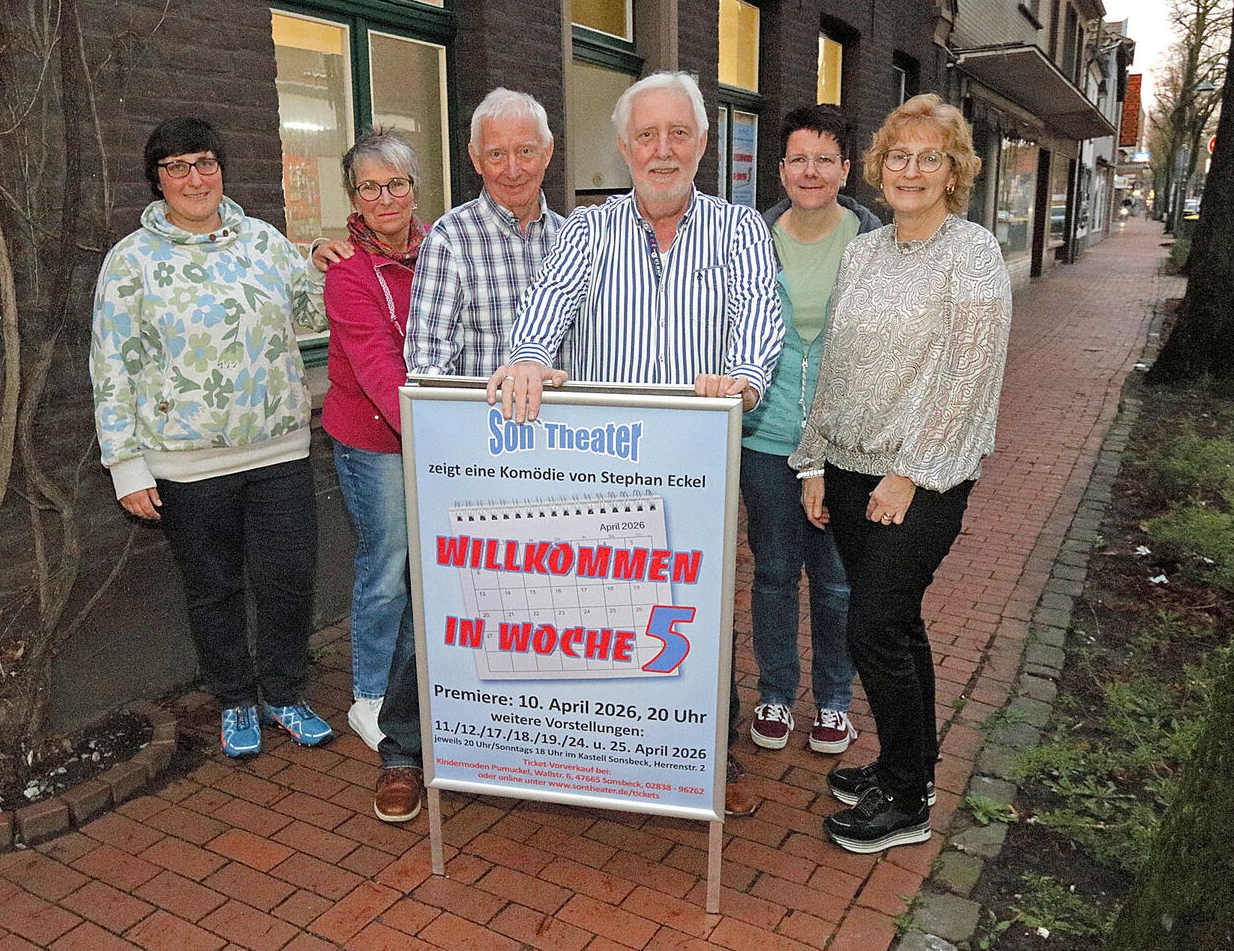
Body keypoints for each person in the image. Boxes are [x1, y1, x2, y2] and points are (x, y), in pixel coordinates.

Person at [489, 70, 784, 818]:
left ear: (703, 143)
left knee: (700, 612)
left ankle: (711, 753)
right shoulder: (587, 231)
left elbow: (758, 318)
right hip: (605, 469)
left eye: (678, 133)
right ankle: (608, 756)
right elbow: (543, 310)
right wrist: (527, 357)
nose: (663, 150)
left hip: (697, 468)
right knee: (607, 612)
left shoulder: (742, 229)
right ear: (623, 147)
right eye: (646, 135)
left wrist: (744, 382)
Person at [791, 93, 1011, 853]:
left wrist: (911, 473)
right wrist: (814, 457)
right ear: (880, 169)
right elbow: (835, 364)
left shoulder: (971, 252)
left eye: (930, 157)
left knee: (874, 623)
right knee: (899, 622)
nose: (911, 170)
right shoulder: (864, 249)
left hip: (923, 477)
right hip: (850, 470)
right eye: (899, 156)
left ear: (955, 171)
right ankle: (902, 763)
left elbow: (970, 377)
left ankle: (909, 800)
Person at [90, 118, 333, 759]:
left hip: (278, 447)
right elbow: (111, 363)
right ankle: (234, 699)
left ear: (222, 168)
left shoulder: (262, 241)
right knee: (213, 586)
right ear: (157, 180)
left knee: (288, 578)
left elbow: (310, 313)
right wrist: (125, 464)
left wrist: (316, 265)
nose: (194, 178)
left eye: (204, 162)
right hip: (187, 460)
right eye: (177, 167)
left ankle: (283, 693)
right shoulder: (130, 261)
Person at [372, 88, 565, 823]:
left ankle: (528, 744)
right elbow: (425, 362)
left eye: (525, 150)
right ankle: (403, 750)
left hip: (561, 468)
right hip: (476, 468)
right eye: (495, 153)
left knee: (541, 611)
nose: (511, 167)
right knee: (436, 610)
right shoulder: (451, 238)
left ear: (547, 153)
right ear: (475, 159)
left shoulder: (577, 239)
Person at [743, 105, 881, 756]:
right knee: (773, 571)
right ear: (780, 169)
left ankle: (832, 702)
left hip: (845, 445)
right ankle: (775, 692)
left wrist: (824, 453)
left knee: (834, 579)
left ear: (846, 168)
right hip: (765, 437)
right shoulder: (751, 237)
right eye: (799, 158)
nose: (811, 170)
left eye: (825, 158)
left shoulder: (875, 243)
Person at [321, 128, 426, 752]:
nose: (385, 198)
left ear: (415, 188)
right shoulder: (348, 274)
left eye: (396, 184)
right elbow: (377, 364)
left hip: (432, 438)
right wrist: (431, 428)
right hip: (375, 440)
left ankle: (413, 685)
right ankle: (370, 694)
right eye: (370, 188)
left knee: (424, 567)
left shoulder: (442, 249)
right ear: (353, 199)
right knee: (387, 566)